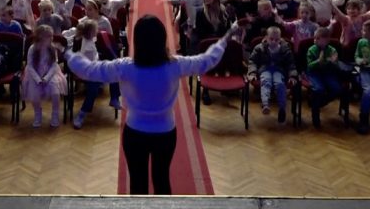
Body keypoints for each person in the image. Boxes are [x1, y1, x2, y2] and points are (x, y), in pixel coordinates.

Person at [63, 15, 241, 195]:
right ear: (162, 39)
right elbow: (206, 61)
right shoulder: (175, 65)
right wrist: (226, 38)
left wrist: (66, 52)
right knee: (162, 181)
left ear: (137, 40)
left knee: (137, 185)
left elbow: (89, 70)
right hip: (165, 133)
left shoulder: (125, 67)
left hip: (135, 133)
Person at [71, 19, 121, 129]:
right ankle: (82, 114)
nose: (98, 31)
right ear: (91, 32)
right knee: (93, 90)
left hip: (93, 69)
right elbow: (90, 64)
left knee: (114, 73)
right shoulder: (88, 46)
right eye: (96, 29)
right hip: (89, 72)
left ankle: (114, 98)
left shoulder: (89, 39)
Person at [248, 27, 296, 122]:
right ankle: (265, 104)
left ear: (280, 39)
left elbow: (291, 64)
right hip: (265, 69)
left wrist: (292, 76)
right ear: (266, 38)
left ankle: (282, 108)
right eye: (271, 39)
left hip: (279, 70)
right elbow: (252, 61)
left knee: (280, 84)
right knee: (266, 82)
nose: (274, 42)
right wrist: (252, 73)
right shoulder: (259, 48)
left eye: (277, 39)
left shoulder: (285, 48)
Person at [23, 24, 67, 128]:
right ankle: (38, 114)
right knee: (34, 94)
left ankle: (55, 114)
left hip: (50, 74)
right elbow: (29, 66)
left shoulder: (52, 48)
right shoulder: (32, 49)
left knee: (55, 92)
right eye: (49, 36)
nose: (52, 38)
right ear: (40, 37)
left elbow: (54, 65)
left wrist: (47, 77)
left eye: (52, 36)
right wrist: (38, 79)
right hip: (35, 75)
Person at [305, 27, 343, 128]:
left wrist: (333, 62)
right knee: (319, 89)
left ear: (326, 40)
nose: (315, 40)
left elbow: (336, 66)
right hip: (314, 73)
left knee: (336, 88)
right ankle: (315, 114)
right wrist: (318, 61)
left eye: (318, 38)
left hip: (327, 73)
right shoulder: (311, 50)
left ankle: (318, 104)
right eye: (315, 38)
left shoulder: (332, 50)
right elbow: (309, 66)